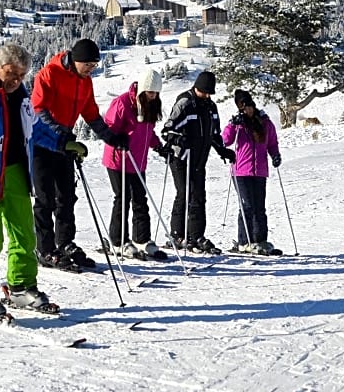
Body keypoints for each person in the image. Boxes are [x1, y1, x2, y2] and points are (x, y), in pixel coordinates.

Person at [0, 43, 88, 319]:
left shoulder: (21, 94)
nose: (16, 80)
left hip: (16, 171)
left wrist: (62, 142)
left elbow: (35, 127)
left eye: (22, 75)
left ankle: (20, 286)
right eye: (12, 74)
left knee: (24, 232)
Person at [30, 38, 129, 271]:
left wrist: (111, 138)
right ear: (75, 60)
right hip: (42, 144)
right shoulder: (49, 74)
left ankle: (64, 242)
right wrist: (59, 134)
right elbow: (38, 110)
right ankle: (44, 249)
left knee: (66, 197)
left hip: (65, 145)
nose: (91, 70)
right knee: (45, 199)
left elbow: (91, 114)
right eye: (88, 65)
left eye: (94, 65)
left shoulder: (85, 82)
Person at [160, 71, 235, 254]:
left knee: (199, 197)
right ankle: (177, 235)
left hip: (200, 159)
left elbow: (214, 135)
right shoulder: (185, 103)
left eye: (209, 92)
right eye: (203, 91)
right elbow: (167, 130)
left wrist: (222, 150)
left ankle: (196, 236)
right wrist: (178, 140)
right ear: (196, 87)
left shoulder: (211, 107)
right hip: (181, 158)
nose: (207, 95)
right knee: (184, 194)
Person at [101, 68, 168, 260]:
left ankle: (142, 239)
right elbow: (108, 127)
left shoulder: (150, 106)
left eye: (156, 93)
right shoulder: (123, 102)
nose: (153, 96)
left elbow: (147, 133)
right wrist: (118, 138)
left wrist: (158, 146)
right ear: (142, 90)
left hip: (138, 161)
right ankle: (119, 241)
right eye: (150, 92)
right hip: (119, 159)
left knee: (140, 199)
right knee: (122, 199)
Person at [221, 89, 282, 255]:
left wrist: (275, 155)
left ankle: (260, 240)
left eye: (247, 106)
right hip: (241, 172)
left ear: (252, 105)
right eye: (242, 108)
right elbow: (225, 141)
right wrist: (233, 124)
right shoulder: (238, 124)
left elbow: (272, 143)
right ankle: (244, 241)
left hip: (260, 171)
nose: (246, 110)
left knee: (259, 207)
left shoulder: (264, 122)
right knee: (246, 206)